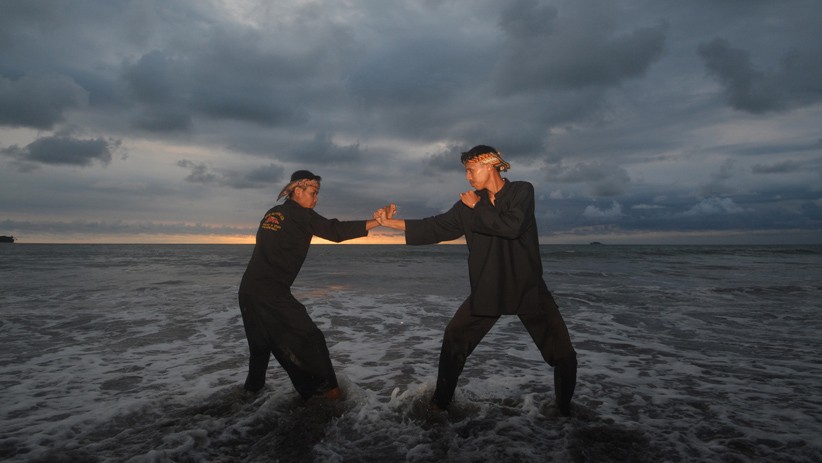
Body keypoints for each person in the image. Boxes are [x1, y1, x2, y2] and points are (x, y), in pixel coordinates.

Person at [374, 145, 577, 416]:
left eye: (471, 170)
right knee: (454, 337)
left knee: (563, 353)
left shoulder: (521, 191)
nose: (468, 177)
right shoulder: (468, 205)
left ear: (490, 164)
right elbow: (435, 226)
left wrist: (477, 206)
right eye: (466, 171)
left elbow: (512, 226)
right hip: (489, 286)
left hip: (527, 286)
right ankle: (439, 405)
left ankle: (564, 411)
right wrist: (390, 223)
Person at [239, 170, 388, 401]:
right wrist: (377, 222)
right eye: (313, 192)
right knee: (311, 337)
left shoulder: (273, 213)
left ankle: (247, 397)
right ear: (297, 191)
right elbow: (335, 231)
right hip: (271, 292)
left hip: (248, 290)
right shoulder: (301, 214)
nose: (316, 199)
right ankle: (329, 394)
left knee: (260, 346)